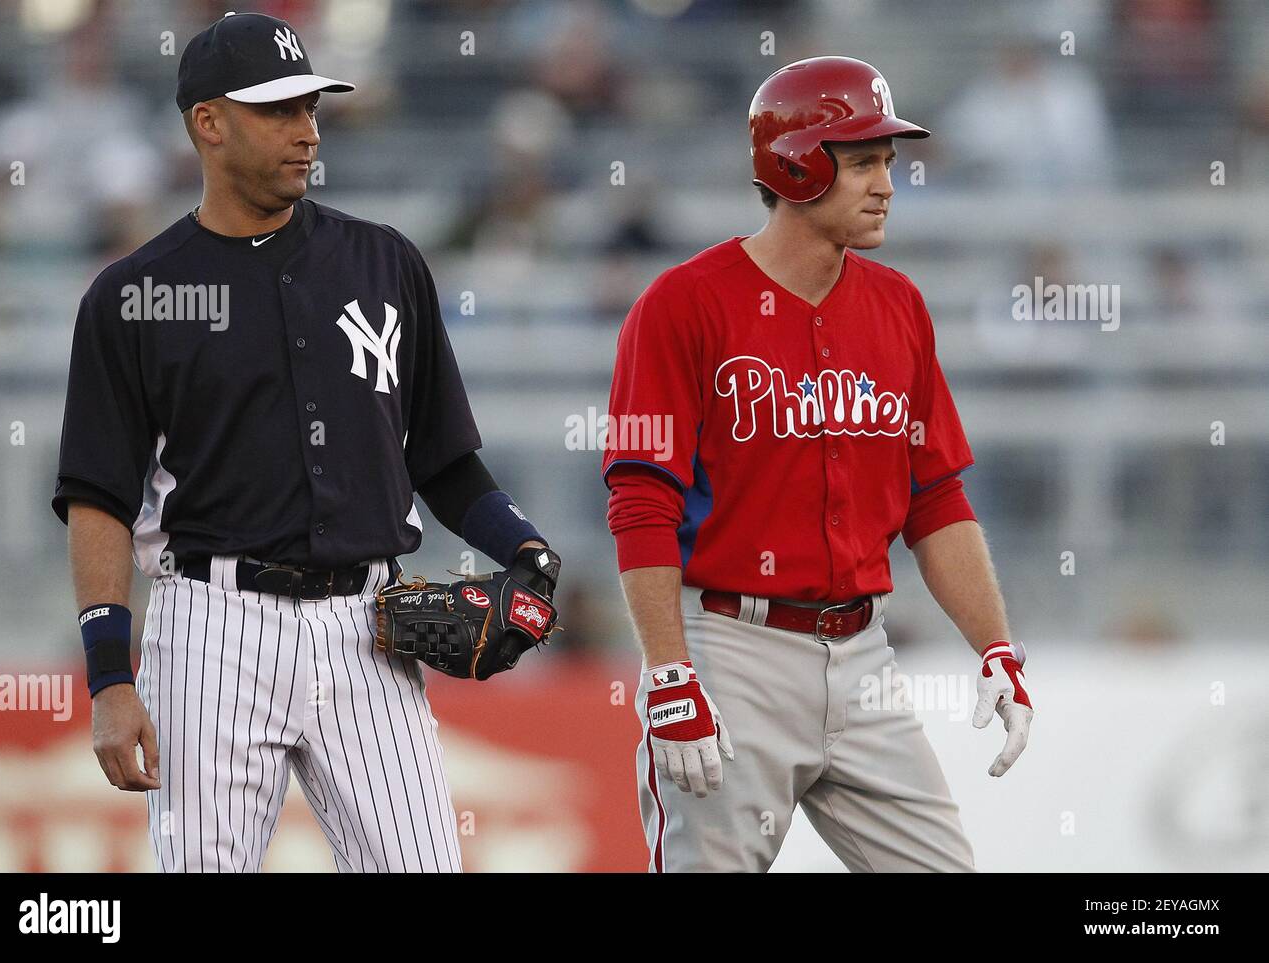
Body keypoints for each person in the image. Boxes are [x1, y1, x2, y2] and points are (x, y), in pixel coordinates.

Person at [53, 12, 559, 873]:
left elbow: (439, 457)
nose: (307, 129)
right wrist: (109, 676)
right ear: (208, 123)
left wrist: (526, 546)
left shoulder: (385, 262)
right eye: (279, 110)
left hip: (369, 626)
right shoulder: (134, 294)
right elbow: (99, 494)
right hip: (212, 625)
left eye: (311, 106)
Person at [602, 57, 1032, 873]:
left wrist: (995, 646)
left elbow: (935, 497)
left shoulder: (897, 302)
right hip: (732, 647)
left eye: (888, 162)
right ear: (796, 163)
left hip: (863, 652)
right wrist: (668, 672)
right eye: (864, 160)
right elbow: (641, 499)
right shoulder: (682, 304)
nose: (887, 184)